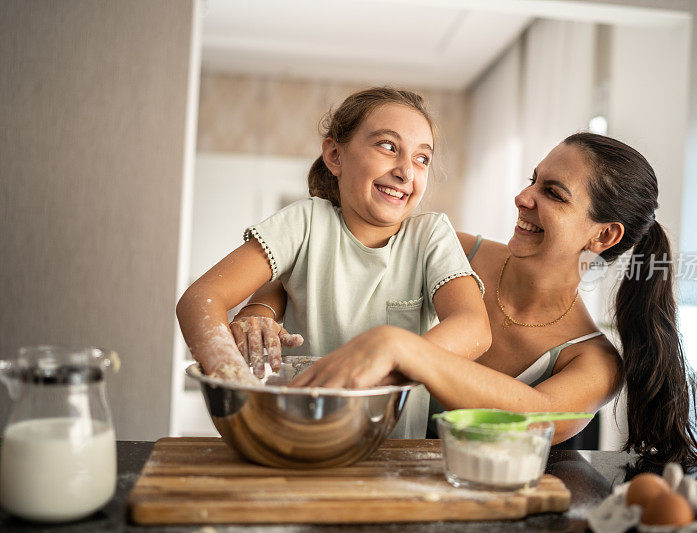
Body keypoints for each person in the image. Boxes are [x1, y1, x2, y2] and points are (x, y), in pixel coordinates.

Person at [251, 132, 697, 468]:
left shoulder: (592, 363)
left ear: (604, 234)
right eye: (533, 180)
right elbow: (310, 249)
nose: (523, 198)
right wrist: (260, 309)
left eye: (552, 194)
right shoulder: (444, 248)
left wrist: (402, 347)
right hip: (334, 468)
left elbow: (533, 418)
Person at [176, 87, 491, 439]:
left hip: (392, 452)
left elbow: (473, 328)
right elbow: (201, 298)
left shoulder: (430, 235)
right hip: (297, 437)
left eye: (422, 158)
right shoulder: (305, 222)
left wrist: (387, 366)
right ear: (335, 156)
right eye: (388, 146)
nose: (406, 170)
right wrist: (235, 380)